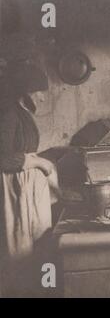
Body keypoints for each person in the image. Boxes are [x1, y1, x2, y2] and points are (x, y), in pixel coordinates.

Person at [0, 63, 55, 297]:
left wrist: (43, 164)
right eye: (39, 92)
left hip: (25, 192)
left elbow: (24, 151)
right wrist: (37, 163)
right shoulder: (9, 114)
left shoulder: (23, 113)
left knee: (31, 252)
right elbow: (3, 159)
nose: (42, 99)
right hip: (12, 194)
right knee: (17, 254)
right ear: (26, 91)